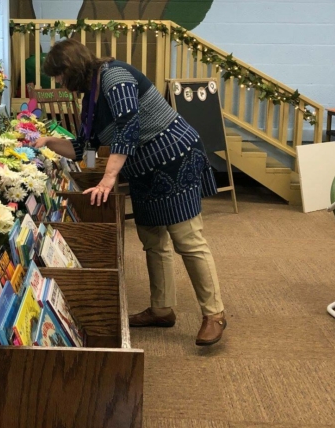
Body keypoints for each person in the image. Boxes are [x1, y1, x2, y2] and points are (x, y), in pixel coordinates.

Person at [33, 39, 227, 346]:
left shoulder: (115, 76)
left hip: (174, 159)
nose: (59, 83)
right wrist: (48, 142)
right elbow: (83, 148)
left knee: (187, 239)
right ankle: (162, 309)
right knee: (153, 240)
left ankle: (214, 314)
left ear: (72, 68)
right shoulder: (91, 98)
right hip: (143, 169)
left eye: (59, 76)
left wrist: (108, 179)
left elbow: (128, 128)